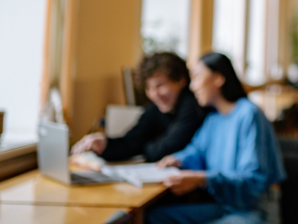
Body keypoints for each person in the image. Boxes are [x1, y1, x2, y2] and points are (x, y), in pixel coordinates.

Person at [147, 52, 286, 224]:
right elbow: (196, 151)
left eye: (197, 77)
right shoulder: (214, 119)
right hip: (226, 206)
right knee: (155, 217)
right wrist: (178, 160)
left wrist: (203, 179)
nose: (192, 86)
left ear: (218, 78)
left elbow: (253, 180)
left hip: (254, 211)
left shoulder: (249, 114)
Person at [71, 52, 206, 162]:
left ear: (181, 80)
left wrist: (143, 147)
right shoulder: (155, 108)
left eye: (160, 86)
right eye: (148, 88)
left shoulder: (193, 105)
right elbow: (131, 142)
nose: (154, 94)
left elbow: (164, 150)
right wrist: (104, 144)